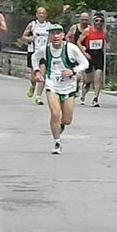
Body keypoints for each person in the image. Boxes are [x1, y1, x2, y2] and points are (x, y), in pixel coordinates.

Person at [31, 24, 89, 154]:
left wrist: (73, 71)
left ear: (63, 35)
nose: (56, 36)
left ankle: (60, 126)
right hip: (52, 85)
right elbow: (34, 57)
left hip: (69, 87)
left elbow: (85, 63)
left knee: (67, 119)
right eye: (53, 33)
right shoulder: (45, 50)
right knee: (55, 113)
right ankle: (57, 142)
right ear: (49, 36)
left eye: (58, 33)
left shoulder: (71, 48)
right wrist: (37, 71)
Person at [77, 11, 108, 107]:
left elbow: (107, 41)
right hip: (89, 55)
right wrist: (84, 52)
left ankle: (95, 98)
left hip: (99, 55)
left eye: (101, 21)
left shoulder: (104, 31)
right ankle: (83, 95)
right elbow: (79, 42)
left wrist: (107, 46)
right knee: (87, 80)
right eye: (96, 20)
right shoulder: (87, 30)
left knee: (98, 76)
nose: (98, 23)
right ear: (93, 21)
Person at [21, 7, 51, 105]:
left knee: (42, 75)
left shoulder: (49, 25)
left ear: (46, 15)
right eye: (39, 13)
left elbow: (52, 37)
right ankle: (33, 86)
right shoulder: (32, 25)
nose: (41, 15)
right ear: (37, 15)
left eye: (43, 13)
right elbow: (23, 37)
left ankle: (38, 97)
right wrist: (30, 38)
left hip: (44, 53)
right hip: (33, 52)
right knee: (34, 76)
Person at [65, 12, 91, 92]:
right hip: (75, 53)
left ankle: (84, 88)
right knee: (78, 74)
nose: (84, 22)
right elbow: (67, 37)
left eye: (86, 20)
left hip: (86, 53)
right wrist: (71, 45)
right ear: (80, 19)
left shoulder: (90, 29)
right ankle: (75, 87)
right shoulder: (75, 27)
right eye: (83, 20)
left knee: (87, 78)